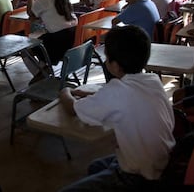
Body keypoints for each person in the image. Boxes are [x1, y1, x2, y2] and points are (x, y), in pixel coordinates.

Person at [59, 25, 175, 192]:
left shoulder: (117, 91)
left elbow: (72, 109)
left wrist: (65, 91)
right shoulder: (152, 80)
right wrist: (91, 95)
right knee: (96, 166)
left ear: (115, 66)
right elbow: (120, 98)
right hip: (162, 162)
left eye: (107, 58)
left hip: (139, 178)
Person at [23, 0, 77, 82]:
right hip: (72, 38)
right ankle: (44, 69)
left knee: (25, 50)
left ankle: (40, 74)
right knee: (42, 39)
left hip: (58, 43)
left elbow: (30, 13)